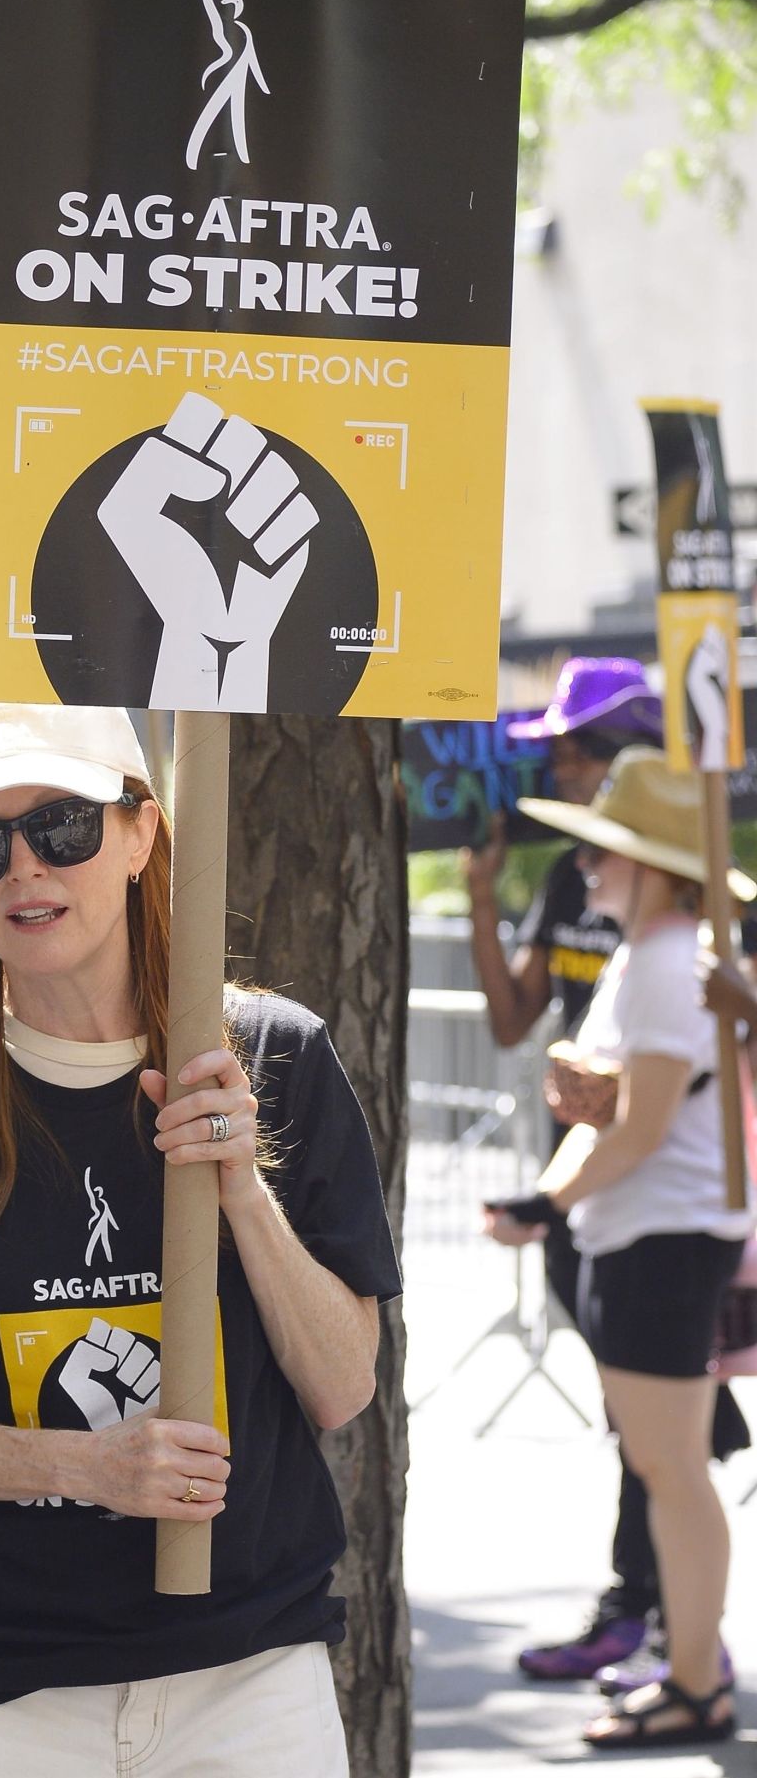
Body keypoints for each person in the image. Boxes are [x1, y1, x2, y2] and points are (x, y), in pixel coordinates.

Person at [0, 701, 401, 1778]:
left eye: (61, 825)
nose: (23, 867)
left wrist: (241, 1190)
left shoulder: (272, 1053)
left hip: (243, 1672)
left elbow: (343, 1382)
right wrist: (86, 1464)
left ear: (138, 834)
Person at [487, 747, 753, 1749]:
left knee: (670, 1468)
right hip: (647, 1234)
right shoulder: (652, 956)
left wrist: (546, 1205)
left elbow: (635, 1128)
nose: (583, 869)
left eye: (602, 854)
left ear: (652, 865)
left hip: (655, 1237)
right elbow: (629, 1116)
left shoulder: (659, 962)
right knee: (668, 1465)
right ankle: (690, 1671)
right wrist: (550, 1195)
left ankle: (694, 1677)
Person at [466, 655, 674, 1681]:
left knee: (655, 1433)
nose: (561, 767)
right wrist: (473, 896)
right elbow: (511, 1022)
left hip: (637, 1201)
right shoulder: (565, 877)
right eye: (555, 751)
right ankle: (656, 1615)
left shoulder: (690, 920)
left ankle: (651, 1613)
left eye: (577, 748)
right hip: (576, 1197)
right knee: (642, 1422)